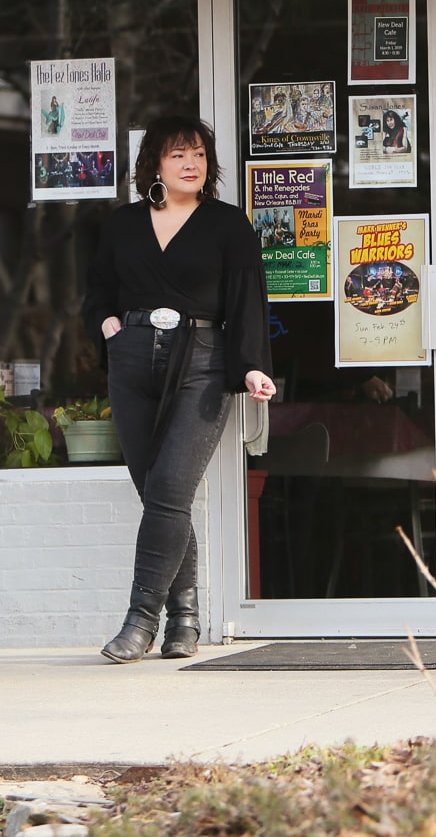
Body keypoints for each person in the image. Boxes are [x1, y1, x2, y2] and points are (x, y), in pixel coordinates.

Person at [83, 115, 275, 664]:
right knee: (158, 494)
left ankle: (141, 619)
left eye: (198, 155)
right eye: (178, 155)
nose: (191, 164)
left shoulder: (227, 224)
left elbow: (247, 301)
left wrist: (251, 366)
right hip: (132, 361)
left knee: (170, 488)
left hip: (204, 362)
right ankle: (185, 616)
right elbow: (98, 288)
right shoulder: (123, 224)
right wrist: (109, 326)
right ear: (156, 165)